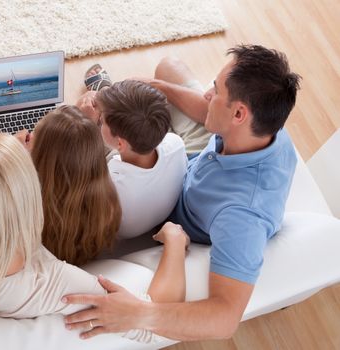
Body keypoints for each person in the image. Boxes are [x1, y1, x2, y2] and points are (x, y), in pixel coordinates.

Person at [0, 88, 189, 342]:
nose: (24, 132)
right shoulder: (48, 281)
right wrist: (173, 240)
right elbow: (154, 320)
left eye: (29, 139)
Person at [63, 45, 301, 340]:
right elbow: (207, 112)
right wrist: (156, 87)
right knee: (169, 66)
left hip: (173, 199)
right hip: (195, 157)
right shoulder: (264, 125)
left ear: (239, 113)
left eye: (215, 91)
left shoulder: (242, 217)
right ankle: (116, 108)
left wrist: (137, 314)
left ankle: (105, 115)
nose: (207, 95)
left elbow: (225, 319)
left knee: (93, 145)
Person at [76, 79, 188, 239]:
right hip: (149, 209)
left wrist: (86, 123)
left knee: (79, 117)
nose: (100, 121)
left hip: (118, 225)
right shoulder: (176, 144)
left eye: (102, 120)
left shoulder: (107, 186)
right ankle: (109, 99)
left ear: (120, 143)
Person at [17, 105, 121, 266]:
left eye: (33, 136)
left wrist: (15, 155)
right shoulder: (108, 202)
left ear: (44, 159)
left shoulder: (26, 205)